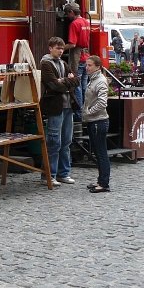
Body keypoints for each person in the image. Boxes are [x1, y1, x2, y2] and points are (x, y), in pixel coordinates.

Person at [39, 36, 80, 187]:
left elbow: (76, 80)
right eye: (58, 48)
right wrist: (66, 81)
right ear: (50, 48)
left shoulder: (63, 63)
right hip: (56, 107)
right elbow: (53, 85)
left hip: (68, 106)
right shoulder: (46, 64)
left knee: (66, 141)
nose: (61, 51)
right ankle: (48, 175)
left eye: (62, 48)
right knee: (54, 141)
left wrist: (63, 81)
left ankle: (64, 173)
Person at [82, 55, 110, 193]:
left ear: (97, 67)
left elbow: (102, 102)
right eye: (86, 65)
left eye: (90, 65)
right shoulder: (92, 79)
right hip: (93, 120)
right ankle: (101, 180)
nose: (87, 67)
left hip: (99, 121)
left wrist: (89, 112)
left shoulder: (100, 81)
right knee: (98, 153)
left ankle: (104, 183)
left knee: (101, 153)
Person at [63, 2, 90, 120]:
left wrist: (59, 48)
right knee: (84, 85)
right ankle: (85, 111)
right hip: (86, 55)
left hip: (77, 56)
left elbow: (72, 44)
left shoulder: (74, 24)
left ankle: (79, 113)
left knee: (76, 85)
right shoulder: (86, 22)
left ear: (71, 12)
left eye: (67, 14)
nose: (67, 17)